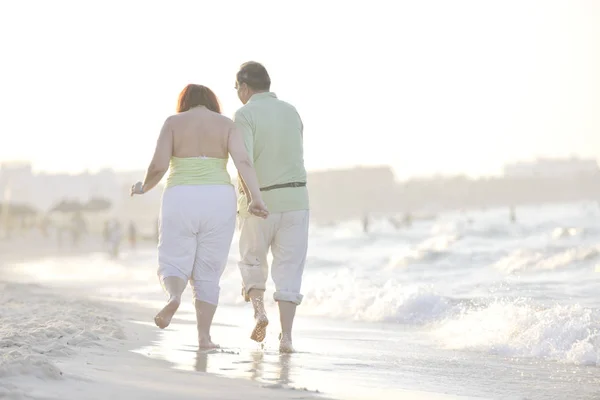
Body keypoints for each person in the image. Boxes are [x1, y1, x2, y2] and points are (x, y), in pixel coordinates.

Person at [131, 84, 268, 349]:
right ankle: (204, 338)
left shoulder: (173, 122)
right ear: (211, 102)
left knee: (173, 256)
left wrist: (143, 187)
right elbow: (243, 162)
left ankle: (173, 297)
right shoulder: (226, 124)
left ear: (185, 102)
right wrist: (256, 198)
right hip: (218, 199)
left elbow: (158, 165)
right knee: (209, 270)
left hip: (180, 196)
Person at [234, 62, 309, 353]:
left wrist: (254, 196)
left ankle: (259, 313)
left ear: (244, 86)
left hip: (260, 201)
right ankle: (287, 337)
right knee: (289, 270)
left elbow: (244, 160)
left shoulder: (244, 114)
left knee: (253, 261)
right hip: (296, 201)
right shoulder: (291, 111)